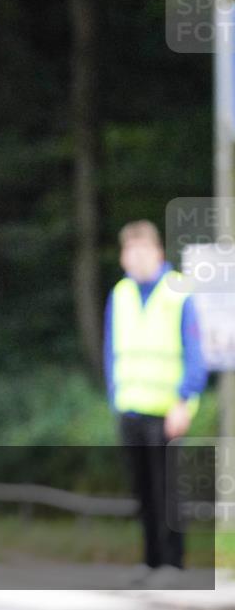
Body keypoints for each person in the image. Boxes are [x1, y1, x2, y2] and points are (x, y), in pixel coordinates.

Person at [104, 220, 207, 585]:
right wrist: (115, 395)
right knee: (142, 491)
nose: (135, 257)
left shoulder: (178, 291)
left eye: (141, 250)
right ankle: (149, 562)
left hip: (168, 411)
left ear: (158, 253)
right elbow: (111, 350)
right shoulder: (120, 294)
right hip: (130, 408)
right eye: (129, 251)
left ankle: (172, 564)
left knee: (169, 492)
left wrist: (183, 401)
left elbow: (196, 354)